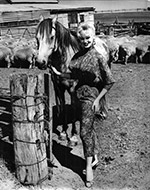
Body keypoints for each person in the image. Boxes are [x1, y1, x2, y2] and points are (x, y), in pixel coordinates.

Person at [51, 21, 115, 188]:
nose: (85, 41)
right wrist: (58, 73)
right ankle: (94, 156)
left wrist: (97, 99)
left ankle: (88, 168)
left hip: (89, 98)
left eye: (87, 38)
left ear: (92, 37)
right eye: (81, 39)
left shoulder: (98, 57)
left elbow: (109, 82)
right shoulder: (77, 56)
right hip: (77, 96)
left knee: (84, 132)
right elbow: (71, 73)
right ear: (78, 40)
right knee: (89, 128)